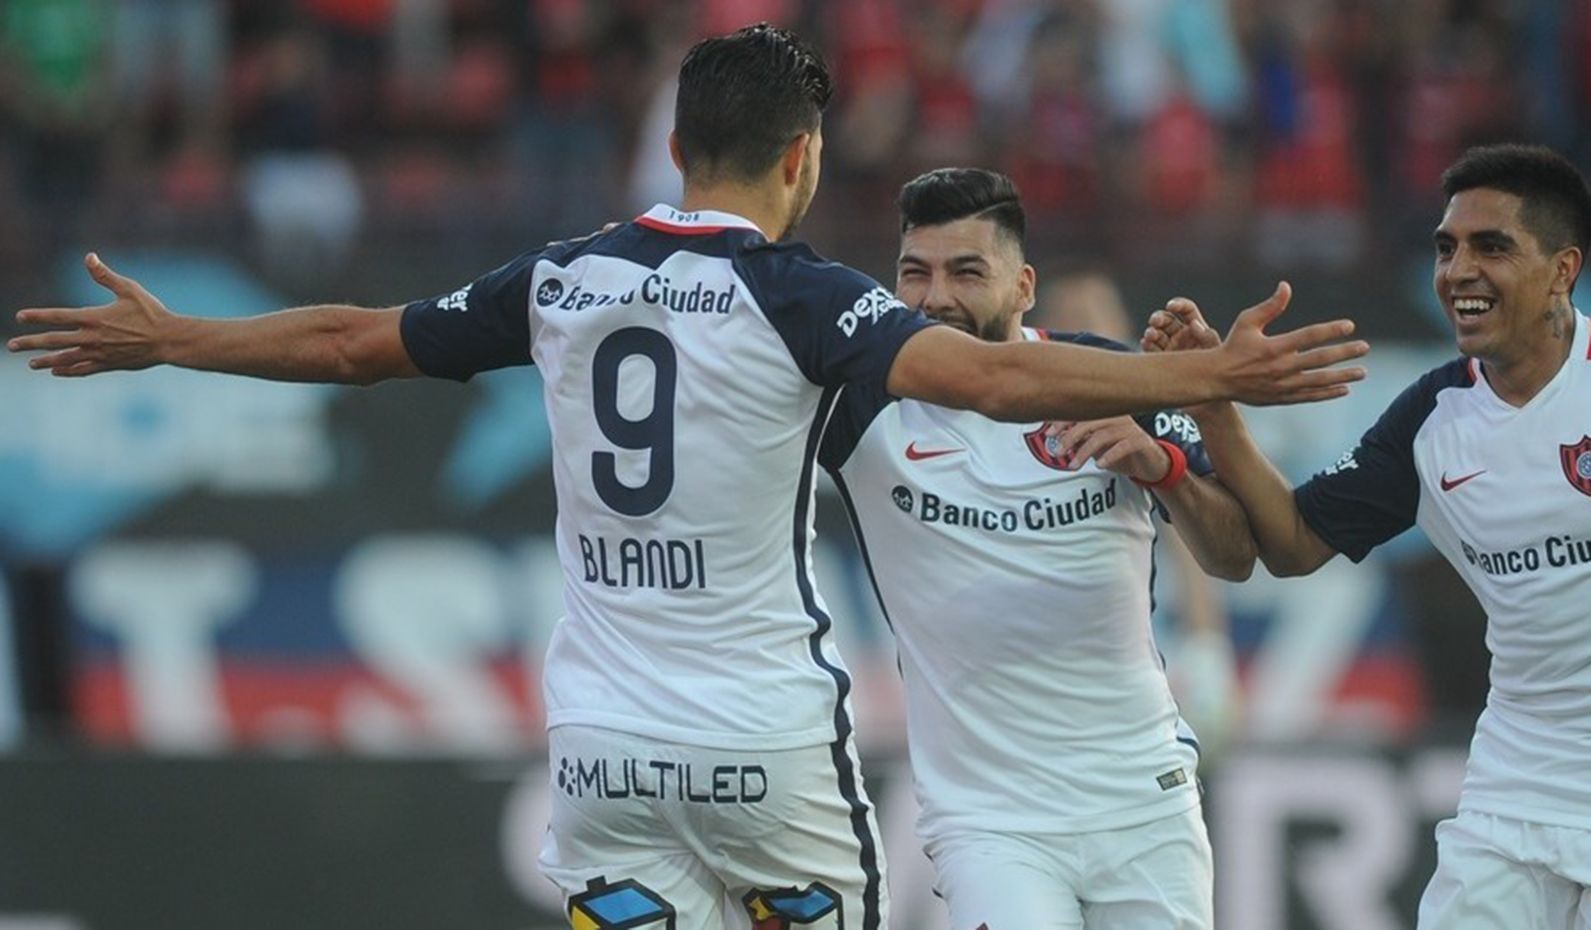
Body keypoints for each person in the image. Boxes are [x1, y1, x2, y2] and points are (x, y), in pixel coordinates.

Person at [9, 24, 1368, 930]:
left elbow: (354, 344)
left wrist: (175, 337)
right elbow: (993, 381)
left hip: (599, 753)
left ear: (673, 149)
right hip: (763, 751)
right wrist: (1210, 374)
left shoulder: (561, 277)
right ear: (802, 159)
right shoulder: (801, 299)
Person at [1142, 142, 1591, 930]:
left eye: (1491, 247)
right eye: (1446, 249)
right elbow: (1291, 543)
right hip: (1517, 785)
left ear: (1562, 271)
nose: (1458, 272)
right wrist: (1215, 404)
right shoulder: (1432, 418)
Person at [819, 168, 1252, 930]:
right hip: (990, 823)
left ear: (1022, 287)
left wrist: (1164, 468)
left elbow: (1234, 553)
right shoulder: (860, 405)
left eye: (965, 272)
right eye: (914, 273)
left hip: (1141, 800)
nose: (933, 298)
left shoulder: (1110, 379)